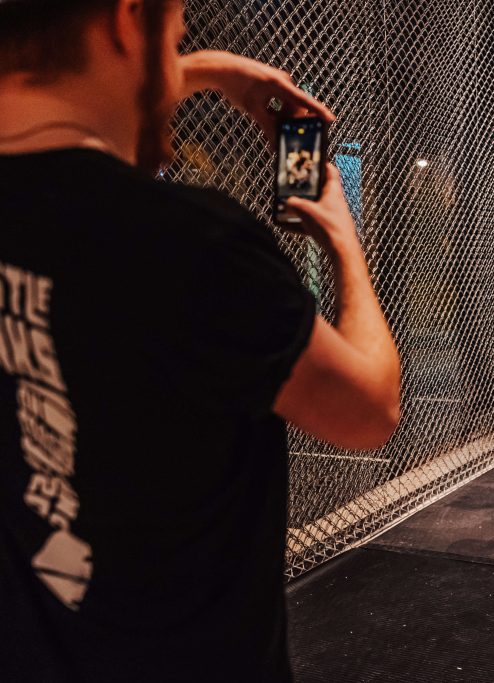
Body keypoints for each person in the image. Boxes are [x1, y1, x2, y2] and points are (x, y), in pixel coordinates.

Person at [0, 1, 400, 680]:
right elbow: (369, 410)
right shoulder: (192, 243)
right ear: (128, 21)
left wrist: (187, 72)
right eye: (176, 37)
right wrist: (342, 240)